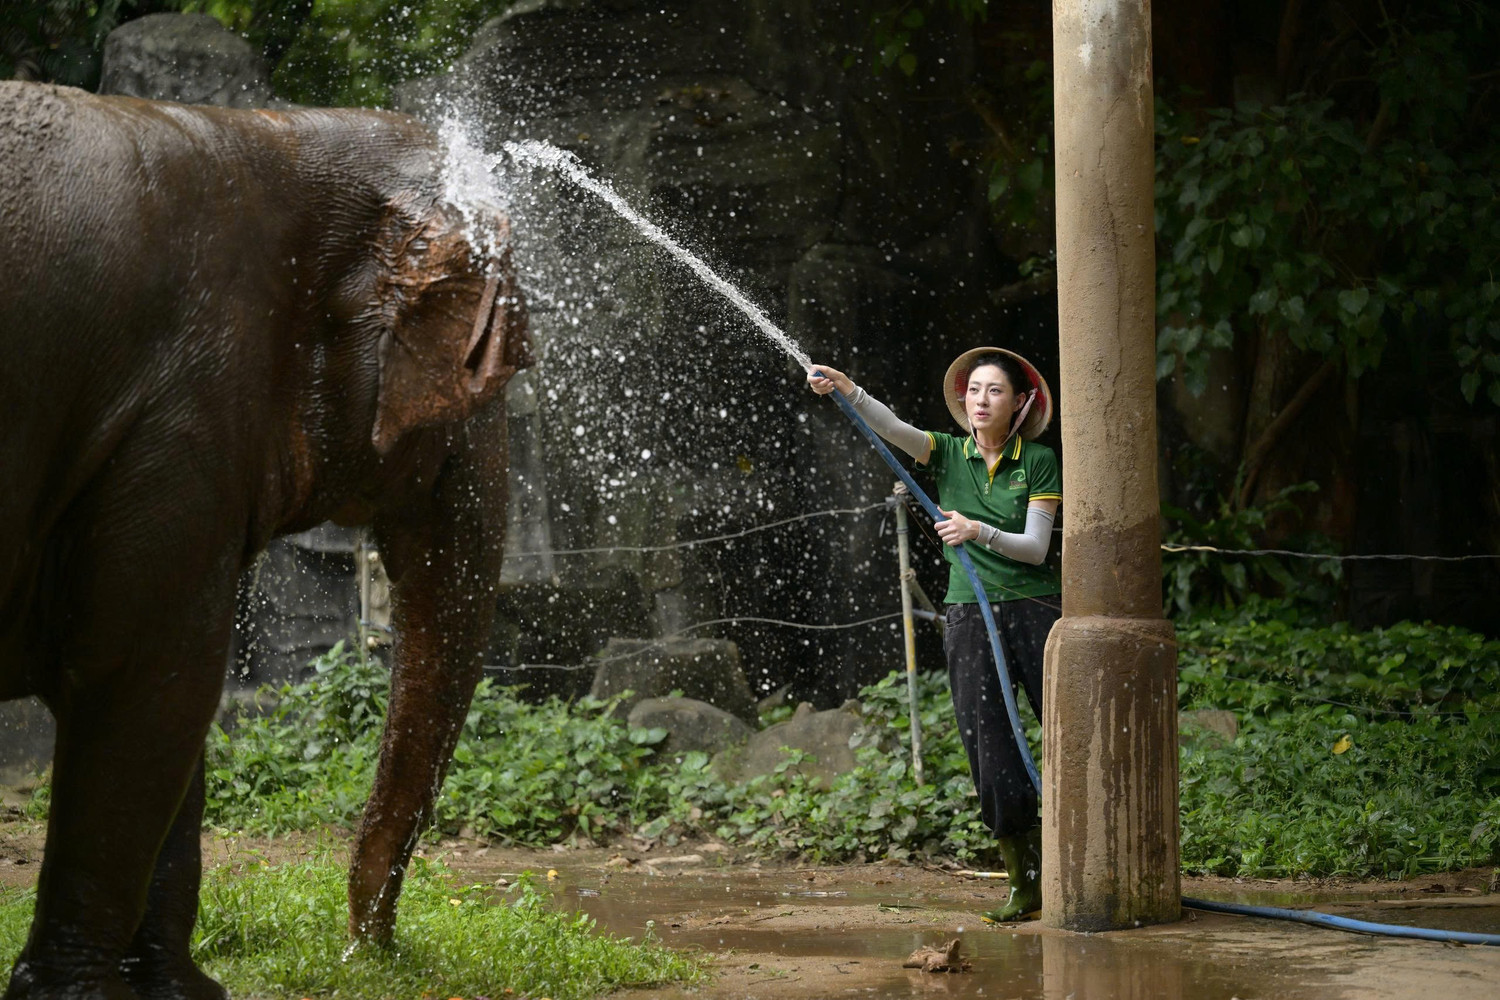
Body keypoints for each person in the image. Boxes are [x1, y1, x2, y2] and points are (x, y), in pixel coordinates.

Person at [806, 347, 1061, 921]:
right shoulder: (946, 453)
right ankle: (1025, 877)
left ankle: (1083, 854)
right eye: (973, 390)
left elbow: (1036, 548)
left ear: (1020, 402)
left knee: (1066, 730)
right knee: (988, 745)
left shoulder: (1038, 460)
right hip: (969, 613)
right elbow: (893, 428)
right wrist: (848, 388)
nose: (981, 400)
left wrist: (977, 530)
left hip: (1035, 607)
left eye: (994, 391)